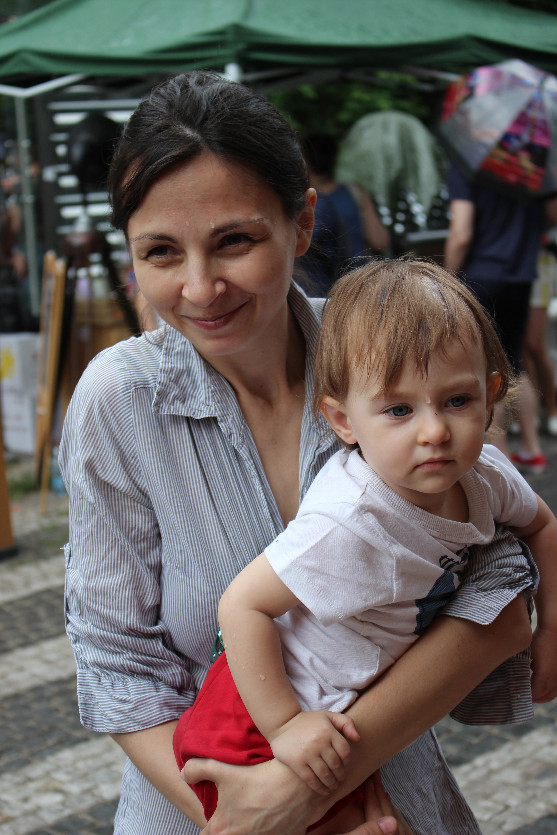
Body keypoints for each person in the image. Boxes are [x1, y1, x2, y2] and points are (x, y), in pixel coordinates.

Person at [60, 72, 537, 835]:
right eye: (159, 252)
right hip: (199, 805)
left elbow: (502, 587)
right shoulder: (118, 401)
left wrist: (308, 791)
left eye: (233, 240)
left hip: (396, 806)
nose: (199, 286)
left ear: (302, 222)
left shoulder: (388, 354)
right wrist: (245, 814)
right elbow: (119, 665)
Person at [173, 259, 553, 834]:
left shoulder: (485, 476)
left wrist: (551, 623)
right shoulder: (350, 519)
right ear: (343, 420)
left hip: (346, 710)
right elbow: (241, 605)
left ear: (491, 392)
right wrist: (284, 726)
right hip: (253, 713)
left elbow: (542, 526)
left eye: (457, 400)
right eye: (399, 410)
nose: (434, 432)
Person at [444, 162, 550, 471]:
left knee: (487, 369)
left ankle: (501, 465)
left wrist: (447, 281)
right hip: (521, 273)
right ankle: (532, 449)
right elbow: (549, 215)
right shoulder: (527, 166)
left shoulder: (469, 165)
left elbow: (461, 232)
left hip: (481, 277)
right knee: (513, 361)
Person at [299, 133, 390, 296]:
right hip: (361, 289)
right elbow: (380, 241)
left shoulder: (298, 203)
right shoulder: (354, 193)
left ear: (304, 160)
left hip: (318, 296)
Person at [520, 240, 557, 440]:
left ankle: (551, 409)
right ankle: (531, 413)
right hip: (513, 264)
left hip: (539, 259)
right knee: (521, 348)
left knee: (535, 344)